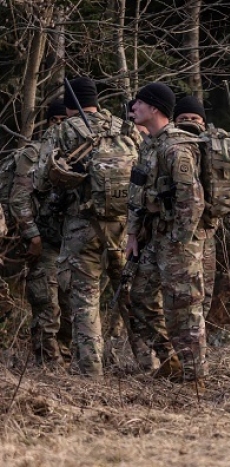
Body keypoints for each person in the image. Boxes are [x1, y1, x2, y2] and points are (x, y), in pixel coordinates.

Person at [35, 77, 141, 376]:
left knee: (84, 301)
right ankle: (150, 362)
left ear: (69, 104)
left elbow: (41, 180)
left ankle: (91, 372)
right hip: (125, 227)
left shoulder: (63, 130)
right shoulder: (126, 127)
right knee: (132, 295)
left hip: (82, 227)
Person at [126, 82, 207, 386]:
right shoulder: (150, 145)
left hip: (178, 242)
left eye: (139, 103)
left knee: (183, 309)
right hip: (154, 239)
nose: (133, 108)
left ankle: (195, 378)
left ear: (155, 109)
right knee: (140, 297)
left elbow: (192, 201)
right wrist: (133, 235)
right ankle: (170, 358)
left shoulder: (177, 148)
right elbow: (137, 194)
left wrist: (180, 243)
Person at [10, 99, 72, 366]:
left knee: (72, 306)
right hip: (43, 239)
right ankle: (48, 364)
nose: (62, 127)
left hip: (71, 242)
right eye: (57, 121)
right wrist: (32, 235)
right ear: (50, 123)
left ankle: (66, 359)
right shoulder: (35, 153)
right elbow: (18, 198)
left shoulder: (82, 152)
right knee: (47, 303)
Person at [172, 96, 217, 320]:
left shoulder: (214, 149)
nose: (189, 122)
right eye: (183, 118)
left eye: (194, 118)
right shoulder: (169, 147)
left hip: (207, 229)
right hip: (175, 231)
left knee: (204, 290)